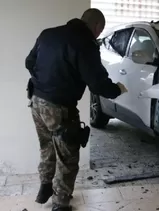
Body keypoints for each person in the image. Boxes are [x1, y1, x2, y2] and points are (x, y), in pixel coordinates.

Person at [25, 8, 127, 211]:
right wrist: (117, 89)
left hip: (36, 101)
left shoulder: (48, 33)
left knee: (46, 146)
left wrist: (45, 80)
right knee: (68, 157)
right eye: (100, 30)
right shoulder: (85, 44)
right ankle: (60, 204)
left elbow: (29, 62)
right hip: (60, 108)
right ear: (97, 26)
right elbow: (97, 84)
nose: (98, 35)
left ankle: (45, 186)